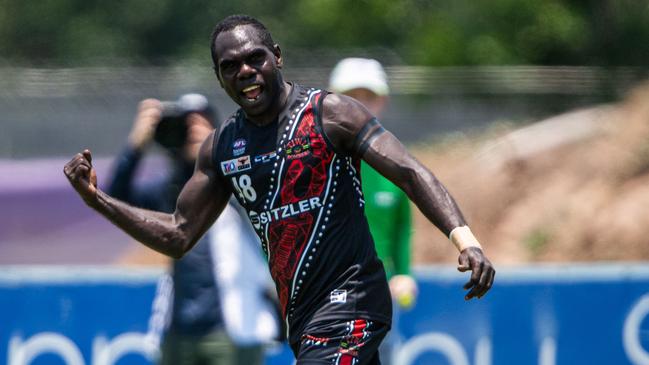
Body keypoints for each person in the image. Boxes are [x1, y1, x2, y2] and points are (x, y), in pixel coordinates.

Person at [64, 14, 495, 364]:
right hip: (302, 319)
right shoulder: (222, 147)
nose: (245, 71)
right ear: (220, 78)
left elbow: (410, 172)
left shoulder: (332, 114)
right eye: (230, 66)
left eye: (255, 58)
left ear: (278, 57)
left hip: (355, 301)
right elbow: (178, 233)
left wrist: (466, 241)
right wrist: (96, 199)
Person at [106, 93, 278, 365]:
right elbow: (116, 200)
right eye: (186, 125)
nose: (193, 131)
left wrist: (216, 148)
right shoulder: (172, 191)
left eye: (203, 122)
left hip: (232, 329)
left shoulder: (237, 181)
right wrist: (137, 145)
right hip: (178, 330)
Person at [329, 58, 416, 364]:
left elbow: (402, 227)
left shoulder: (392, 160)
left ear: (382, 101)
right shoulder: (314, 159)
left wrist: (404, 273)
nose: (361, 104)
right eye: (352, 95)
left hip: (379, 295)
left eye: (369, 97)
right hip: (326, 293)